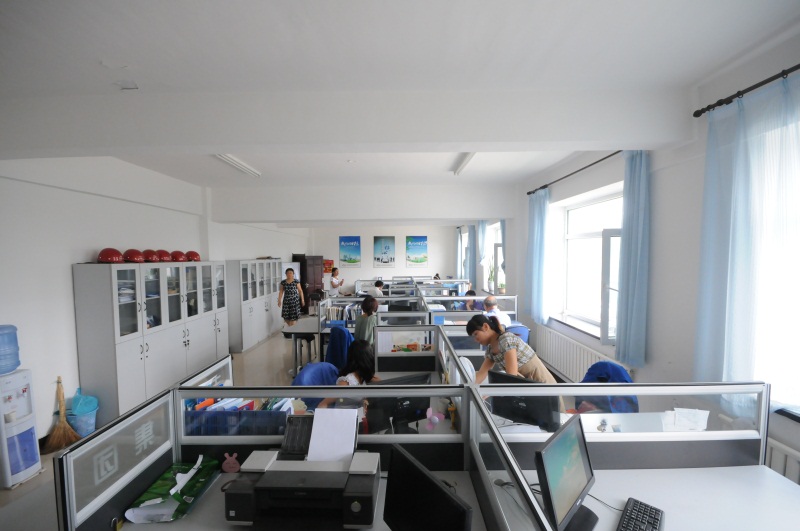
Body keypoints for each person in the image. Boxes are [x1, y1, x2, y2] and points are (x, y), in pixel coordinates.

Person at [466, 314, 557, 385]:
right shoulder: (491, 350)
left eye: (476, 334)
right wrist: (468, 387)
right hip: (526, 382)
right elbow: (482, 373)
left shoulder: (506, 340)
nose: (475, 340)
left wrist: (493, 392)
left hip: (539, 380)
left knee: (552, 403)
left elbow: (511, 375)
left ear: (486, 327)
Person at [317, 340, 381, 408]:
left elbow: (381, 384)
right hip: (345, 414)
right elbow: (323, 403)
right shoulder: (347, 382)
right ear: (368, 359)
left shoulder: (363, 377)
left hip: (358, 413)